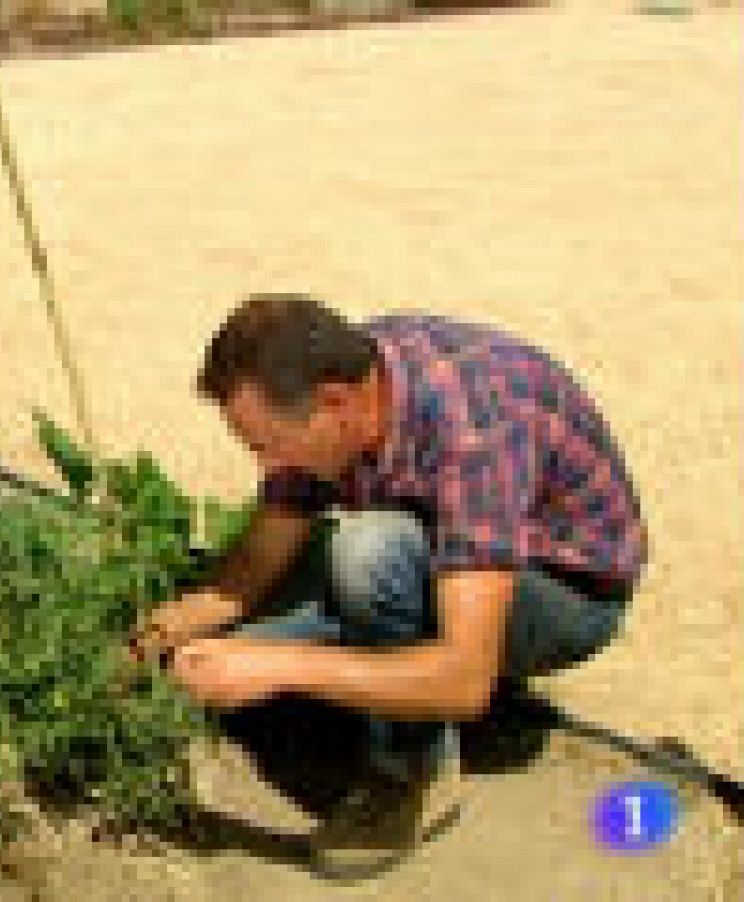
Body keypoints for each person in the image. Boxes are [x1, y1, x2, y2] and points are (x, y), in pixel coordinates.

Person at [133, 294, 644, 878]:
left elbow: (467, 679)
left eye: (265, 446)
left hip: (561, 595)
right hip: (442, 558)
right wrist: (160, 630)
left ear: (335, 405)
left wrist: (276, 665)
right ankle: (398, 664)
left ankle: (411, 772)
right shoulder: (340, 384)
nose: (264, 469)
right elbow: (257, 560)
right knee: (238, 647)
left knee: (363, 556)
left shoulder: (476, 423)